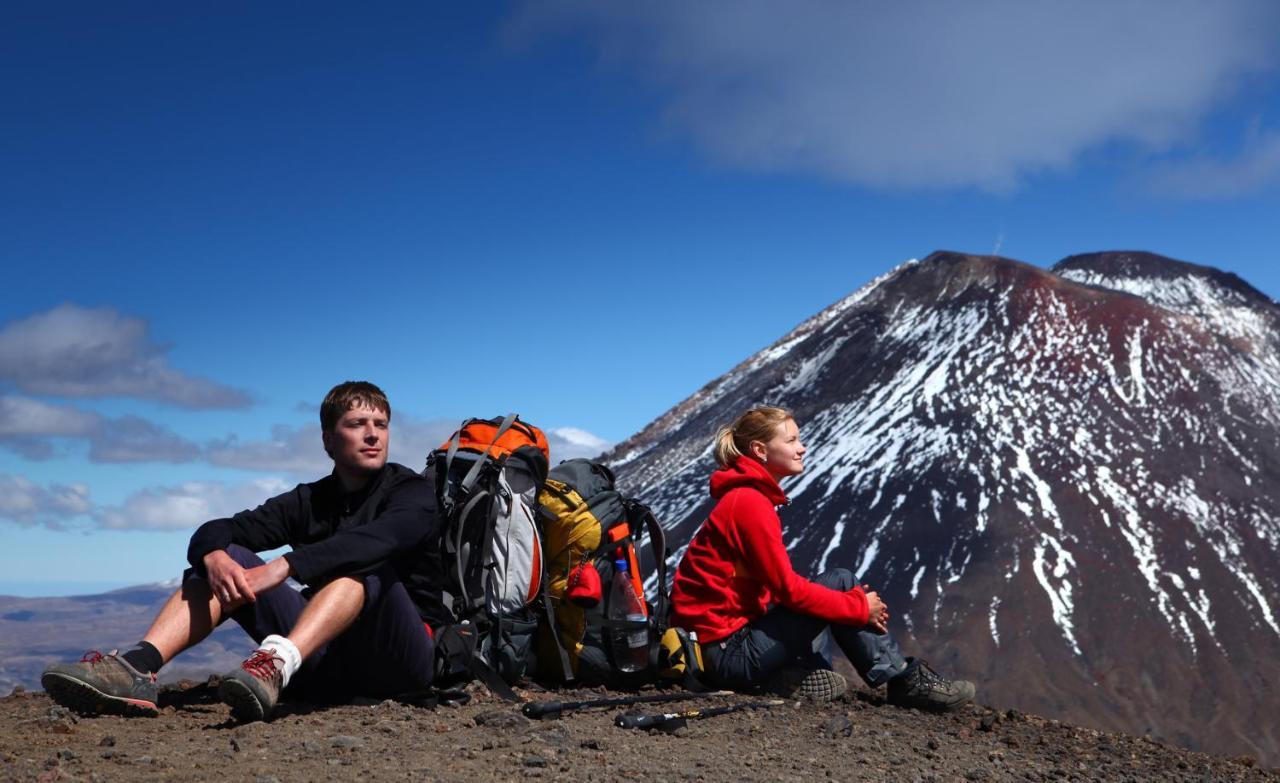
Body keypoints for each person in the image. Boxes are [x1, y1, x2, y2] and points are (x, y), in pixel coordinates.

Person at [42, 381, 447, 722]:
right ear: (328, 440)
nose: (373, 434)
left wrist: (285, 565)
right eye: (357, 424)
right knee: (228, 555)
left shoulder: (412, 493)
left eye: (381, 424)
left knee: (363, 568)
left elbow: (382, 540)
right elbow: (219, 529)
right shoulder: (310, 500)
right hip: (324, 662)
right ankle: (138, 667)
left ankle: (277, 664)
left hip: (399, 662)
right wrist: (214, 557)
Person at [670, 406, 975, 709]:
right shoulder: (749, 504)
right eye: (790, 441)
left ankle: (798, 676)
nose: (801, 448)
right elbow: (788, 591)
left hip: (718, 648)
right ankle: (905, 682)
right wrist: (859, 608)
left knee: (835, 584)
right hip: (725, 655)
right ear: (760, 450)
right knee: (840, 584)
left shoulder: (745, 498)